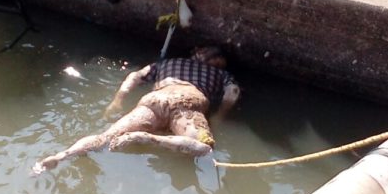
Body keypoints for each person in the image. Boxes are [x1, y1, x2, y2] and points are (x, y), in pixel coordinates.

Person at [32, 46, 240, 173]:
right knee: (203, 148)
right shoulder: (221, 74)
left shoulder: (167, 62)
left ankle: (61, 156)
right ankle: (148, 139)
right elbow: (232, 92)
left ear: (196, 53)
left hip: (155, 100)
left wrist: (118, 100)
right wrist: (219, 116)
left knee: (105, 138)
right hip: (189, 103)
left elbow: (135, 76)